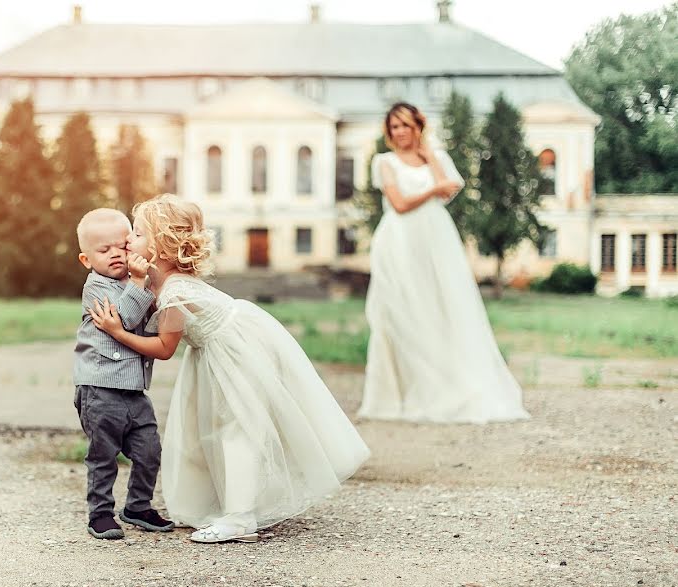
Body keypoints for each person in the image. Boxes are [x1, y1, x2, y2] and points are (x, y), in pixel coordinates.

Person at [90, 195, 370, 544]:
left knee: (237, 426)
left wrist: (116, 332)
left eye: (138, 234)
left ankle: (239, 517)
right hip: (219, 348)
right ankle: (235, 506)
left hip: (235, 350)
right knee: (218, 428)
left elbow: (164, 348)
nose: (128, 241)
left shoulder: (174, 290)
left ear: (161, 246)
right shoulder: (161, 280)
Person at [359, 102, 528, 424]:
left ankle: (446, 385)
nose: (400, 132)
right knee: (403, 311)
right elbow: (399, 204)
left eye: (406, 125)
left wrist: (430, 157)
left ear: (418, 127)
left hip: (435, 239)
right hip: (399, 241)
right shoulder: (385, 163)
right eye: (394, 127)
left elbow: (448, 190)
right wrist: (433, 189)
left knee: (441, 307)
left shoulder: (435, 157)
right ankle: (403, 392)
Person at [72, 208, 174, 540]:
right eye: (105, 250)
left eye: (121, 246)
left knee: (149, 450)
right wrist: (140, 281)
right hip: (99, 389)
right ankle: (100, 514)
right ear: (86, 260)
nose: (116, 254)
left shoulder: (132, 280)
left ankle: (138, 506)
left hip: (133, 390)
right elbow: (128, 319)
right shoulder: (96, 289)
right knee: (103, 455)